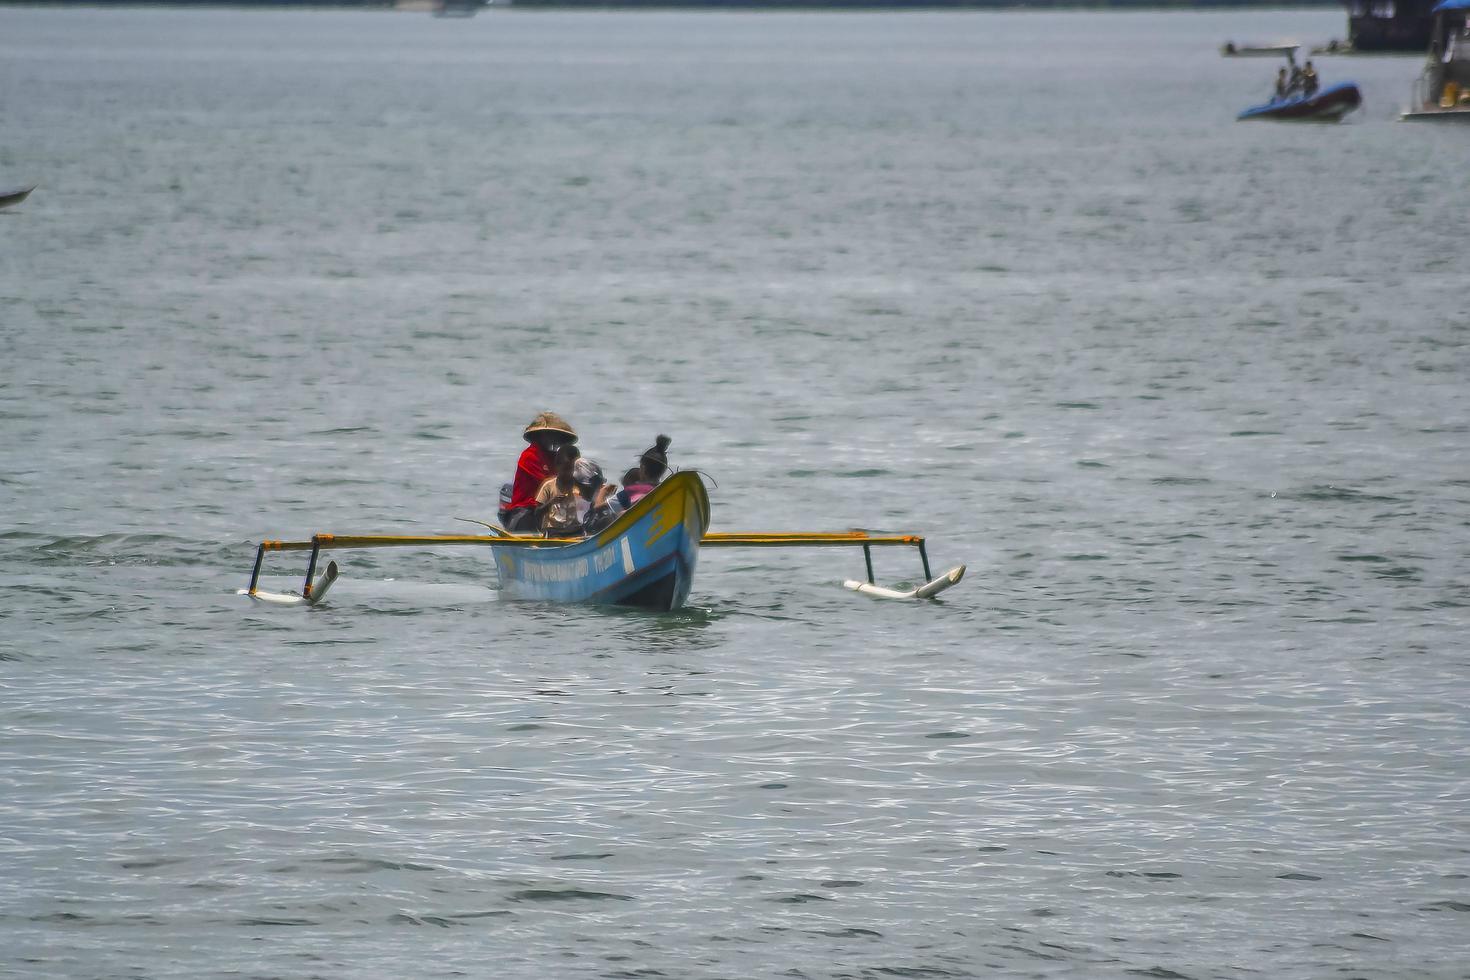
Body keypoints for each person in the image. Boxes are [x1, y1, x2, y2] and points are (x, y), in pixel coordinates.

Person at [500, 411, 577, 533]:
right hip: (526, 510)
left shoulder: (556, 457)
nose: (552, 438)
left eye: (554, 435)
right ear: (539, 435)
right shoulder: (529, 455)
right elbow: (548, 482)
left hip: (551, 508)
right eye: (548, 434)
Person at [601, 435, 672, 521]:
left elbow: (602, 510)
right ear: (664, 471)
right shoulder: (667, 491)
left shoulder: (631, 491)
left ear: (642, 468)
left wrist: (602, 494)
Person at [534, 445, 585, 537]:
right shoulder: (548, 486)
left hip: (575, 530)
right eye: (565, 469)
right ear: (557, 467)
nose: (569, 473)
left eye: (573, 469)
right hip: (554, 531)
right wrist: (551, 503)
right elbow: (537, 513)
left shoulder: (579, 486)